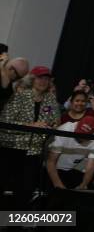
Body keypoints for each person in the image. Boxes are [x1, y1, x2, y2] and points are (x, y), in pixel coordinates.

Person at [0, 65, 60, 207]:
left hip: (34, 151)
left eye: (46, 78)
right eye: (40, 77)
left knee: (25, 191)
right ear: (32, 79)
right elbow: (5, 121)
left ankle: (14, 224)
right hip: (11, 148)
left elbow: (56, 120)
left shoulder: (50, 98)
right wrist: (31, 125)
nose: (43, 81)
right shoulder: (19, 95)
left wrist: (53, 126)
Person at [46, 115, 94, 190]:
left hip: (74, 170)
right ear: (78, 124)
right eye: (78, 132)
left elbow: (90, 167)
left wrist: (83, 185)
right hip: (55, 169)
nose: (79, 137)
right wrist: (58, 186)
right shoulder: (65, 129)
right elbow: (50, 161)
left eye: (83, 136)